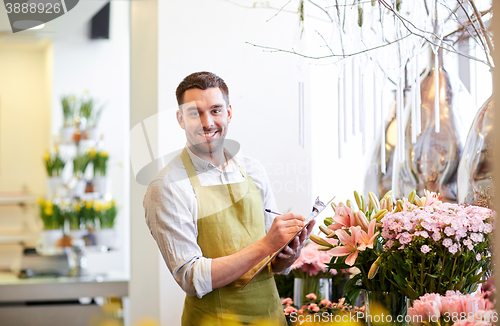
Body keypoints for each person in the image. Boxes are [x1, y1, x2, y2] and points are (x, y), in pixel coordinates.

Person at [144, 71, 315, 325]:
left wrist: (288, 252)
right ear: (180, 119)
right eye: (195, 113)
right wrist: (267, 244)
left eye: (215, 110)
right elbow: (191, 278)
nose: (207, 122)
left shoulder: (253, 170)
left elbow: (272, 263)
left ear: (229, 113)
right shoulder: (166, 186)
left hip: (271, 318)